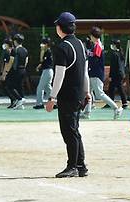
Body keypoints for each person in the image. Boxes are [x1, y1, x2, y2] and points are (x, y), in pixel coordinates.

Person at [45, 12, 90, 178]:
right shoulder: (80, 44)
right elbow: (85, 71)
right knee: (75, 130)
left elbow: (59, 75)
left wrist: (52, 97)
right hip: (78, 94)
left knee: (69, 132)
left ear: (60, 28)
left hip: (67, 96)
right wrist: (87, 92)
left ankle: (73, 166)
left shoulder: (62, 47)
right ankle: (81, 165)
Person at [83, 26, 122, 120]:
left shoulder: (98, 45)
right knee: (88, 92)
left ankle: (116, 108)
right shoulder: (94, 45)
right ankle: (87, 113)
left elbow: (95, 58)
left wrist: (87, 53)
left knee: (100, 94)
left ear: (93, 35)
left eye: (90, 35)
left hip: (96, 73)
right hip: (92, 73)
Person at [4, 34, 28, 110]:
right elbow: (26, 61)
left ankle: (20, 99)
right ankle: (21, 103)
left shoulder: (15, 50)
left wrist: (6, 72)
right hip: (23, 69)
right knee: (20, 86)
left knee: (10, 86)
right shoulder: (25, 50)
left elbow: (11, 61)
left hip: (16, 70)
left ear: (15, 41)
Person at [33, 36, 54, 110]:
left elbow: (41, 60)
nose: (41, 45)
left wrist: (42, 51)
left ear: (47, 44)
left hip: (47, 71)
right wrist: (38, 67)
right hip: (48, 71)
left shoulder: (47, 51)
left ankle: (39, 103)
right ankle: (53, 102)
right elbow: (42, 62)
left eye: (43, 43)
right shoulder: (47, 51)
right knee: (47, 87)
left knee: (40, 88)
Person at [107, 38, 127, 109]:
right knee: (117, 88)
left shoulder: (114, 54)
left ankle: (112, 102)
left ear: (115, 45)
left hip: (116, 74)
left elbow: (113, 66)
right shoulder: (121, 53)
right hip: (121, 73)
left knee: (113, 88)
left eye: (112, 44)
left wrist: (110, 76)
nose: (111, 45)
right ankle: (124, 102)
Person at [0, 38, 15, 107]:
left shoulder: (8, 52)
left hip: (9, 72)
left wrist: (4, 74)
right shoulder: (10, 51)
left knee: (7, 87)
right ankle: (13, 101)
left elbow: (7, 64)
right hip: (11, 72)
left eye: (5, 44)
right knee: (8, 87)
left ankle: (14, 100)